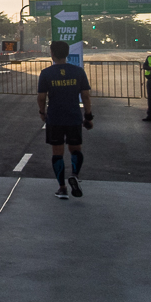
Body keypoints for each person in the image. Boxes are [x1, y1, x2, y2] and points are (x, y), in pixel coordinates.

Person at [37, 40, 93, 199]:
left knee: (57, 153)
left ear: (52, 54)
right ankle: (74, 174)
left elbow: (41, 97)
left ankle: (62, 188)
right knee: (76, 149)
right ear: (67, 53)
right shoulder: (78, 72)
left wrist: (42, 112)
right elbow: (86, 96)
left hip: (55, 117)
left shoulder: (46, 73)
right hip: (74, 116)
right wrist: (88, 116)